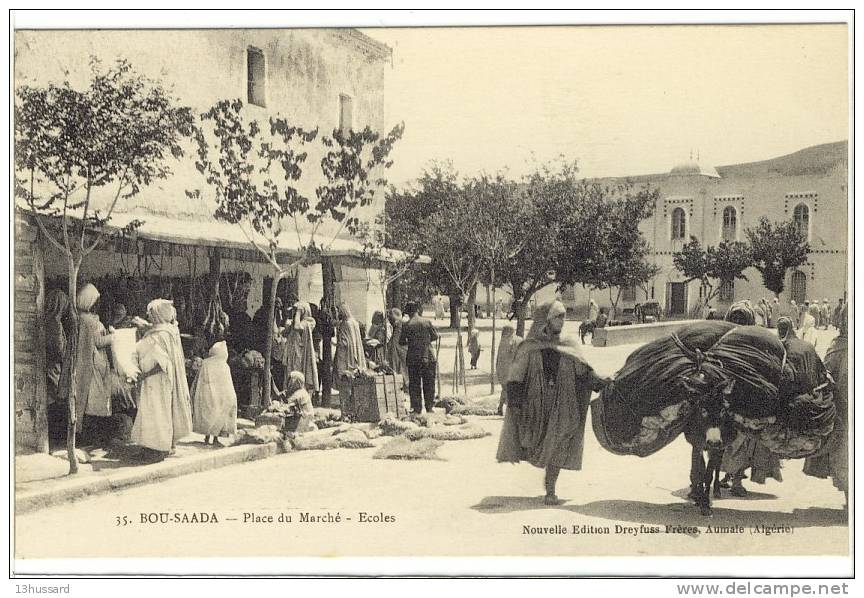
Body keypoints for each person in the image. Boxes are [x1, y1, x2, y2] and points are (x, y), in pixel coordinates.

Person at [496, 300, 611, 505]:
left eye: (564, 316)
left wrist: (602, 383)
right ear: (546, 320)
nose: (562, 320)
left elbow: (584, 372)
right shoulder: (529, 347)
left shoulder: (569, 345)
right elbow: (515, 378)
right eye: (558, 316)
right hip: (536, 405)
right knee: (536, 442)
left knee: (560, 441)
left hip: (564, 403)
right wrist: (515, 406)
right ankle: (548, 482)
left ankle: (551, 489)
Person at [720, 302, 782, 495]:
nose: (738, 321)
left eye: (740, 318)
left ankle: (733, 478)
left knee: (738, 441)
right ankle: (734, 480)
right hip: (738, 400)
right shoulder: (745, 339)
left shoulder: (727, 339)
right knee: (738, 441)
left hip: (740, 400)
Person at [131, 299, 193, 463]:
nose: (149, 317)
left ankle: (157, 449)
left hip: (158, 380)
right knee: (152, 413)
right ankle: (151, 447)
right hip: (155, 381)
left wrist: (145, 375)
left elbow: (162, 363)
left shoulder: (160, 335)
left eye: (151, 314)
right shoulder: (167, 331)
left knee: (156, 414)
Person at [803, 303, 848, 503]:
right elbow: (826, 375)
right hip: (845, 411)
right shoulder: (838, 346)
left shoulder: (839, 346)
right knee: (845, 455)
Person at [75, 283, 114, 438]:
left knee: (88, 401)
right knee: (93, 400)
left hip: (88, 361)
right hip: (92, 364)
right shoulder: (90, 321)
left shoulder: (80, 318)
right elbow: (97, 342)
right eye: (95, 302)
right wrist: (114, 337)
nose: (98, 305)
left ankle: (86, 433)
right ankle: (91, 435)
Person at [192, 339, 237, 446]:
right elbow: (228, 384)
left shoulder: (206, 363)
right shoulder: (224, 366)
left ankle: (207, 436)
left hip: (207, 393)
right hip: (220, 394)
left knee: (208, 414)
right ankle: (215, 438)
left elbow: (199, 380)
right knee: (219, 415)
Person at [399, 301, 438, 414]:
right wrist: (425, 341)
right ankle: (429, 407)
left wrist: (413, 342)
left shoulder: (406, 325)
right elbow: (435, 336)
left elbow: (401, 342)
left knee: (415, 384)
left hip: (413, 358)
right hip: (428, 356)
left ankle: (417, 409)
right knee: (429, 383)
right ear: (417, 310)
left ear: (408, 312)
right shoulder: (427, 322)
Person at [282, 301, 319, 396]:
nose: (294, 313)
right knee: (290, 377)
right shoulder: (295, 322)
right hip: (292, 353)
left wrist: (298, 311)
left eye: (296, 311)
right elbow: (285, 333)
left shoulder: (308, 322)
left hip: (301, 355)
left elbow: (297, 327)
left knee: (297, 377)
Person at [333, 302, 366, 409]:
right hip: (354, 355)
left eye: (338, 311)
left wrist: (336, 343)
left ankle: (346, 405)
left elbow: (345, 342)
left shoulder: (345, 324)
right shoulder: (354, 322)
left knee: (344, 379)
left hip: (346, 357)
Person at [495, 324, 523, 415]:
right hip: (510, 371)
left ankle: (500, 407)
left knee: (505, 389)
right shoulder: (515, 340)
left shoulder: (502, 341)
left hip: (501, 371)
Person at [386, 308, 408, 385]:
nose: (391, 322)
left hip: (400, 352)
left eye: (391, 320)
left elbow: (395, 344)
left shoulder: (400, 326)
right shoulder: (399, 325)